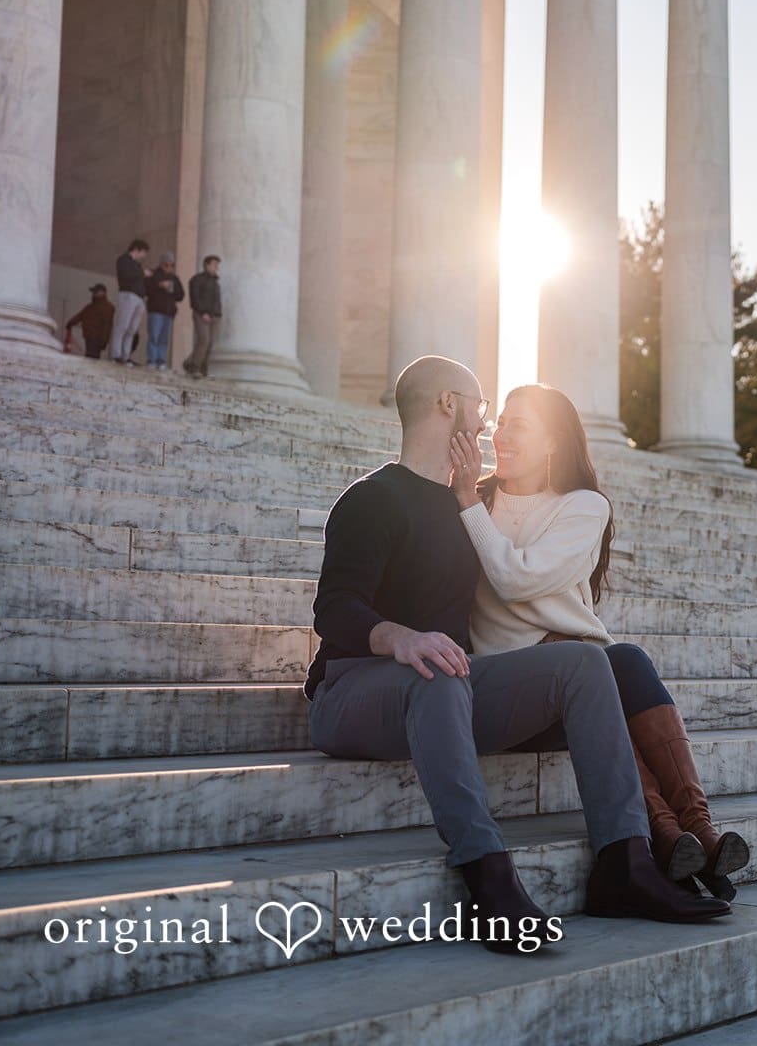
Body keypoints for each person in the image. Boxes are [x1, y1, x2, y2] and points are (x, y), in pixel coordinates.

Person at [308, 356, 727, 956]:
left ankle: (625, 863)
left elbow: (516, 575)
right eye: (481, 405)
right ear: (449, 405)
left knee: (589, 662)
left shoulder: (468, 509)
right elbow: (336, 609)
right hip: (353, 692)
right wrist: (401, 638)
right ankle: (489, 880)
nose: (487, 422)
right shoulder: (371, 498)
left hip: (450, 689)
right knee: (440, 668)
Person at [449, 385, 751, 902]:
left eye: (518, 424)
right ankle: (672, 833)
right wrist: (467, 500)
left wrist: (468, 505)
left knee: (627, 661)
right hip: (519, 685)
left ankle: (695, 833)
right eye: (499, 421)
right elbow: (514, 580)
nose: (500, 433)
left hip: (583, 672)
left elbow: (515, 578)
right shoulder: (475, 503)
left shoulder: (584, 506)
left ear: (553, 444)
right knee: (596, 665)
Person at [107, 239, 149, 365]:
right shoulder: (123, 260)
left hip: (139, 298)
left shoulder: (137, 265)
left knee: (132, 329)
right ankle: (116, 354)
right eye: (144, 252)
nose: (144, 256)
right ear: (137, 249)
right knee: (122, 325)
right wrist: (142, 273)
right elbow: (126, 275)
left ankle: (126, 355)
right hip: (127, 295)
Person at [144, 253, 185, 370]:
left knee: (164, 339)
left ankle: (161, 361)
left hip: (169, 312)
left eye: (172, 264)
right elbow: (146, 289)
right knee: (154, 336)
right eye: (167, 264)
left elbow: (181, 295)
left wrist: (173, 289)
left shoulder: (174, 278)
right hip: (156, 310)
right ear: (162, 263)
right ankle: (151, 360)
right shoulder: (153, 274)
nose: (170, 267)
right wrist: (159, 285)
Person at [185, 255, 221, 377]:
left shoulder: (215, 282)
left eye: (217, 265)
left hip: (214, 316)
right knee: (203, 340)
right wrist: (203, 312)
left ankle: (201, 368)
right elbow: (194, 298)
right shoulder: (197, 279)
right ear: (207, 265)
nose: (216, 267)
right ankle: (194, 367)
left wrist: (217, 314)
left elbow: (216, 301)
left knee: (209, 343)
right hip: (201, 315)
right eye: (214, 264)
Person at [65, 283, 114, 360]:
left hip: (96, 339)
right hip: (88, 337)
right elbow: (80, 315)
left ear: (103, 292)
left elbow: (107, 325)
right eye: (93, 291)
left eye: (96, 291)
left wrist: (104, 340)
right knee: (89, 358)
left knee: (92, 359)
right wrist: (70, 323)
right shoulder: (90, 306)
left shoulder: (107, 307)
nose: (93, 293)